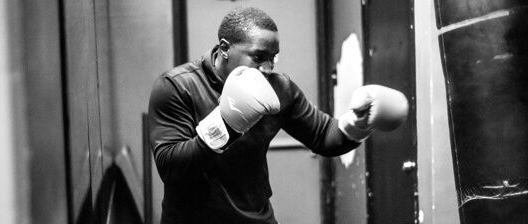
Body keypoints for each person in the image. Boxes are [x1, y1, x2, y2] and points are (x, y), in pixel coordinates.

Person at [147, 7, 408, 224]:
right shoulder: (177, 87)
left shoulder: (279, 87)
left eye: (273, 57)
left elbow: (322, 135)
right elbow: (170, 167)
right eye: (259, 56)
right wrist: (225, 125)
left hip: (256, 218)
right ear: (225, 48)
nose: (268, 67)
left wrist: (356, 123)